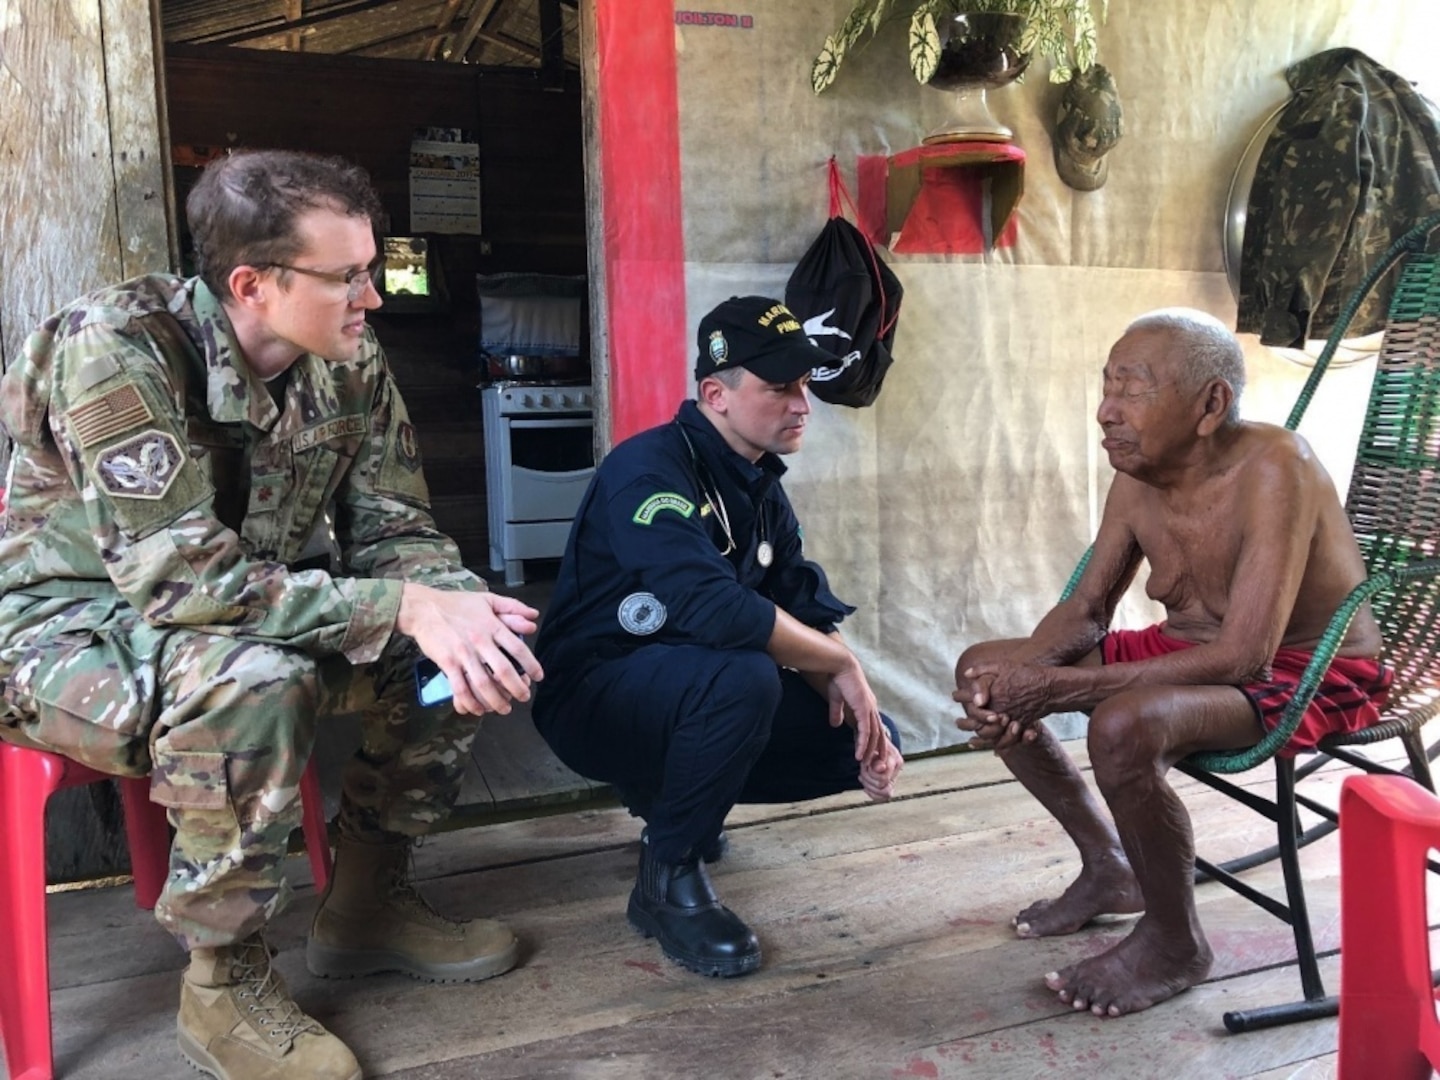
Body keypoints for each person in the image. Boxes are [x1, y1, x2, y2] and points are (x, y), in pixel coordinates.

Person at [0, 149, 543, 1080]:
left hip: (250, 610)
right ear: (253, 284)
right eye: (348, 278)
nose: (372, 298)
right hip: (70, 630)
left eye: (371, 270)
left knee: (458, 642)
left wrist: (447, 607)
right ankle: (222, 984)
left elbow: (396, 524)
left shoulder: (349, 356)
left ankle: (369, 898)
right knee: (259, 679)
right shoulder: (115, 349)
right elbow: (184, 584)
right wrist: (400, 603)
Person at [952, 308, 1390, 1018]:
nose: (1106, 410)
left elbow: (1246, 655)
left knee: (1122, 726)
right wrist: (1016, 680)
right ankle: (1110, 866)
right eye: (1107, 383)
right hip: (1193, 651)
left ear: (1209, 404)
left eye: (1133, 388)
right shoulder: (1138, 471)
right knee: (982, 667)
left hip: (1306, 670)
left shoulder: (1280, 466)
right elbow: (1087, 609)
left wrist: (1056, 685)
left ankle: (1176, 940)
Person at [532, 295, 904, 978]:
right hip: (593, 697)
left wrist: (846, 687)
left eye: (804, 385)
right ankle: (667, 880)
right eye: (781, 387)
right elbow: (717, 611)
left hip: (682, 692)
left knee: (856, 738)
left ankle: (671, 804)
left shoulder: (760, 487)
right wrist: (841, 660)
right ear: (717, 394)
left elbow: (799, 604)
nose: (802, 404)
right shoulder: (649, 470)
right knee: (743, 676)